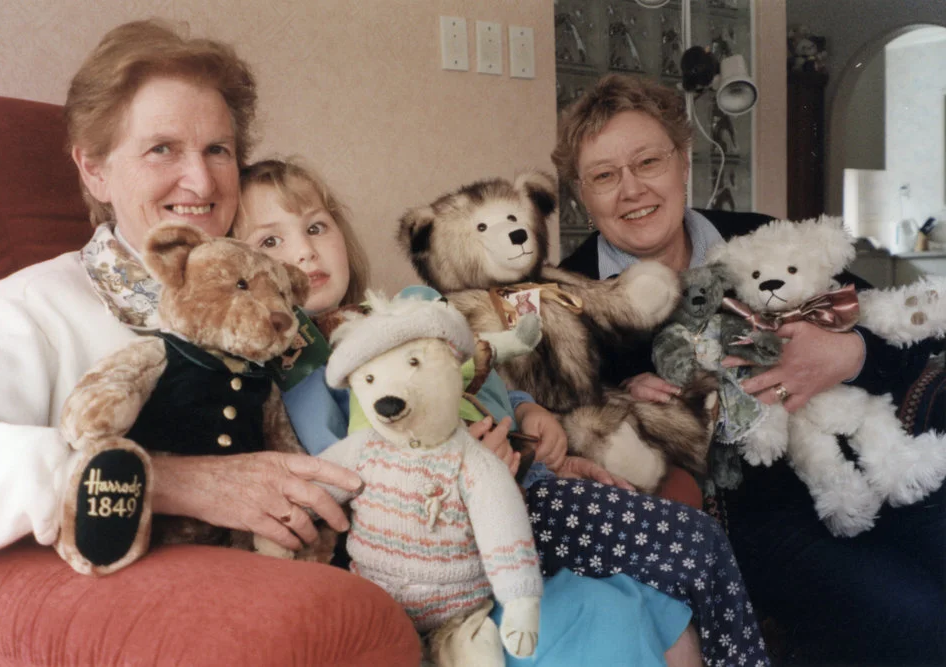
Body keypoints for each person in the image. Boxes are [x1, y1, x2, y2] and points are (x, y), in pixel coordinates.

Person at [233, 157, 770, 667]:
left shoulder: (403, 312)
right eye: (271, 241)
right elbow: (345, 470)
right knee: (690, 544)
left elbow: (474, 376)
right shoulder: (302, 376)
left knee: (659, 599)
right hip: (470, 522)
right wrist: (458, 461)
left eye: (316, 228)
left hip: (521, 482)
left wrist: (529, 409)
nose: (304, 253)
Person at [552, 72, 946, 666]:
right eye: (605, 176)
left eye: (647, 162)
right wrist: (618, 405)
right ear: (584, 196)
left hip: (873, 461)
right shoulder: (569, 303)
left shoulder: (758, 241)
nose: (631, 190)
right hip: (753, 520)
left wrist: (851, 353)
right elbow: (555, 425)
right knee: (919, 619)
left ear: (684, 162)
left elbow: (908, 334)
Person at [0, 20, 363, 568]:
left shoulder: (284, 306)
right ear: (94, 170)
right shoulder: (28, 309)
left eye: (217, 150)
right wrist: (161, 480)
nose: (202, 182)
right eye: (162, 149)